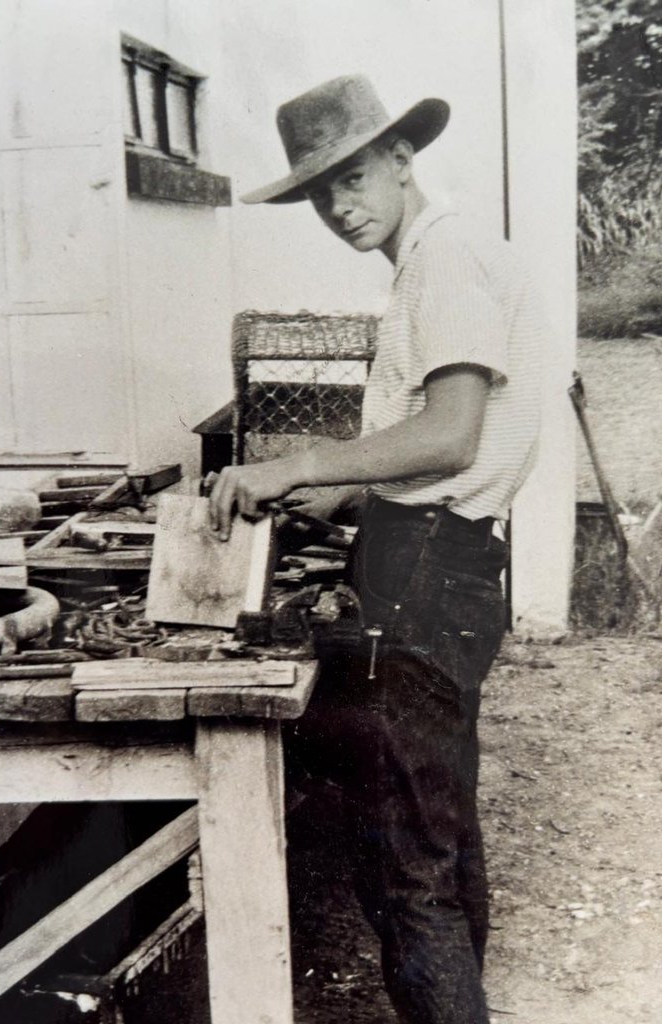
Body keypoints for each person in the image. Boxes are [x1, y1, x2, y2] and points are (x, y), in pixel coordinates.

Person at [208, 74, 543, 1024]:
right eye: (320, 193)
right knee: (439, 835)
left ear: (402, 159)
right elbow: (414, 459)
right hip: (439, 556)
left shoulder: (445, 258)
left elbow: (449, 436)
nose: (340, 206)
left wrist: (302, 459)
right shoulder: (437, 262)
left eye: (353, 177)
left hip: (428, 571)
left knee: (405, 863)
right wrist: (319, 491)